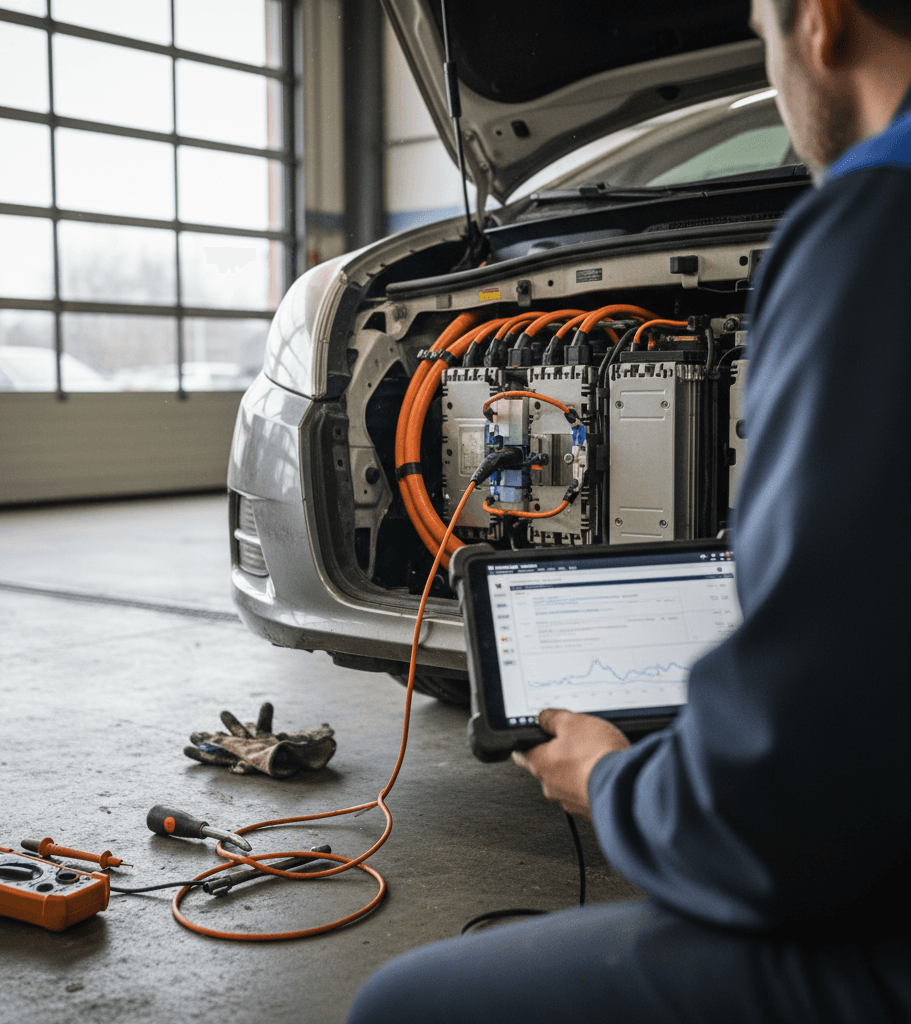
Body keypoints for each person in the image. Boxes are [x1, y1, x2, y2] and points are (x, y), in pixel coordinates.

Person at [346, 0, 911, 1019]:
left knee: (406, 1004)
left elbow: (788, 825)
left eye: (761, 35)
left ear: (818, 24)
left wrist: (613, 783)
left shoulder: (873, 227)